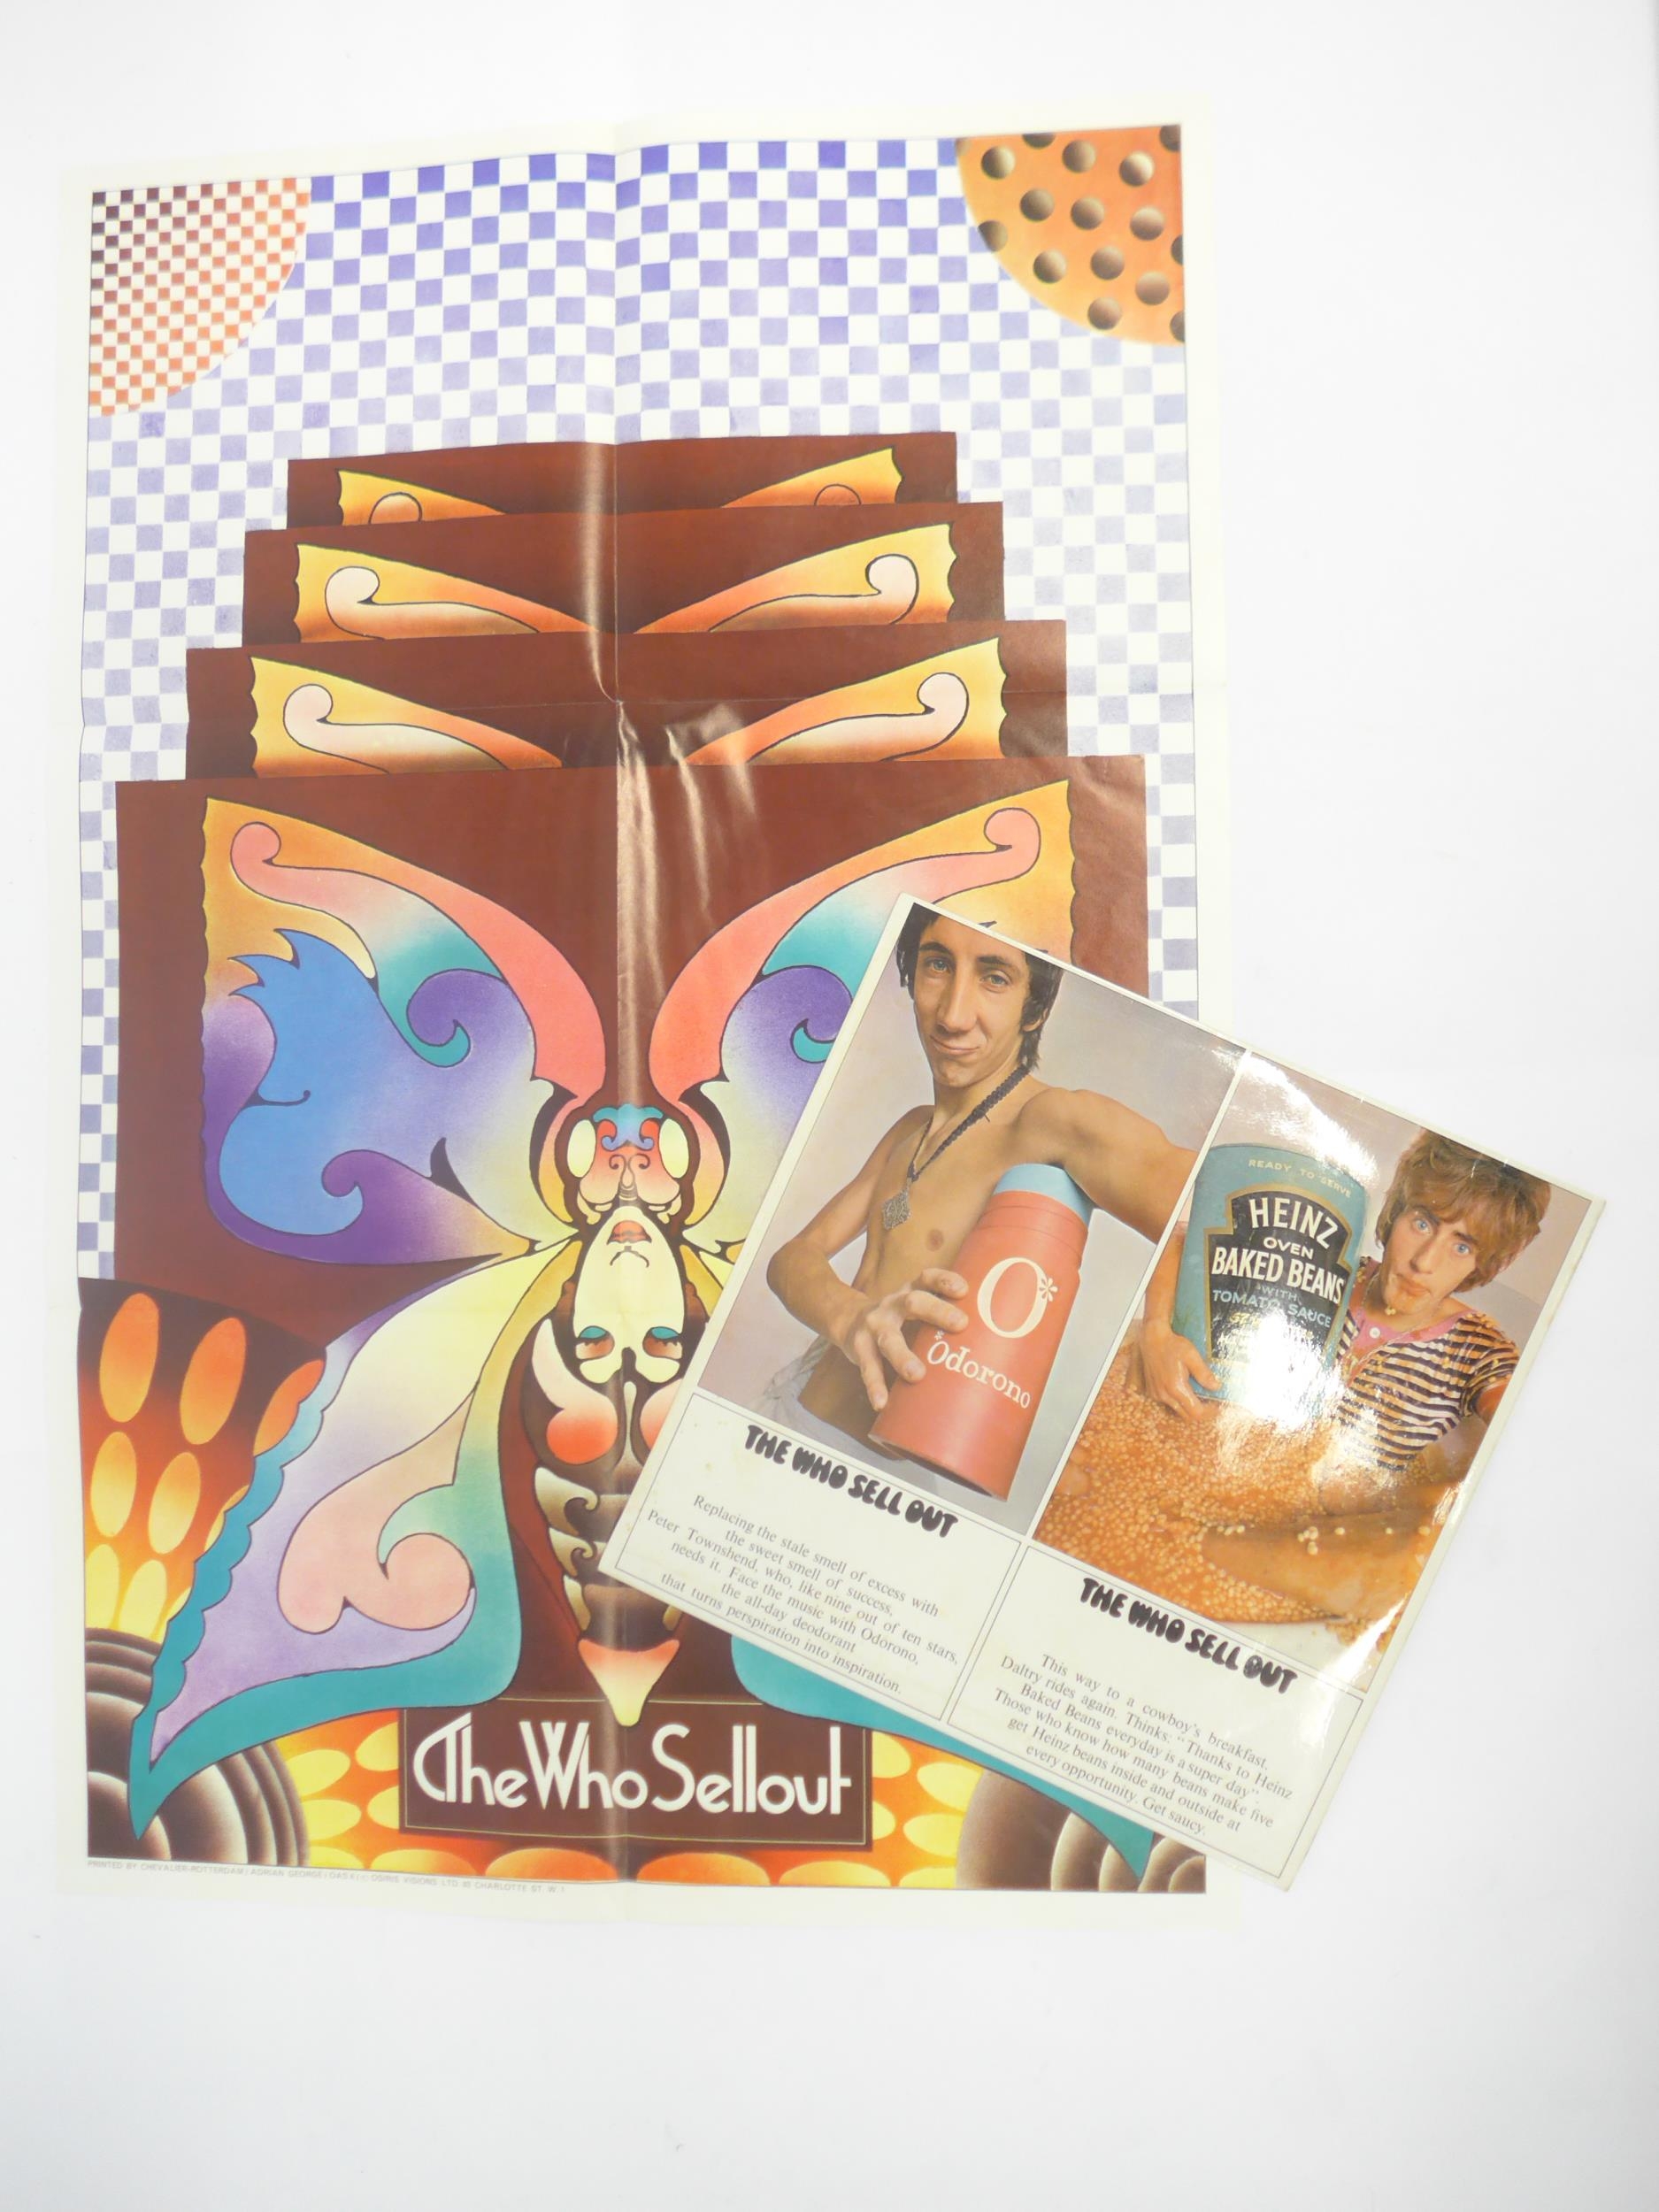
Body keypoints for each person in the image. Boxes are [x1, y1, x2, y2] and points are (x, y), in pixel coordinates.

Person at [763, 905, 1194, 1461]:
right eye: (938, 965)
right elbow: (793, 1258)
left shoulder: (1053, 1121)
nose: (953, 1015)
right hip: (788, 1410)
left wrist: (1156, 1328)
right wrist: (848, 1319)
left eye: (994, 977)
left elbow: (1206, 1206)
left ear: (1035, 1008)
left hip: (877, 1473)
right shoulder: (913, 1128)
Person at [1130, 1129, 1550, 1487]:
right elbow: (1186, 1236)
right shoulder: (1329, 1268)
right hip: (1220, 1464)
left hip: (1320, 1530)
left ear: (1483, 1262)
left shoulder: (1479, 1348)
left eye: (1461, 1247)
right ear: (1397, 1211)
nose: (1424, 1262)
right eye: (1422, 1223)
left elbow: (1533, 1444)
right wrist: (1156, 1330)